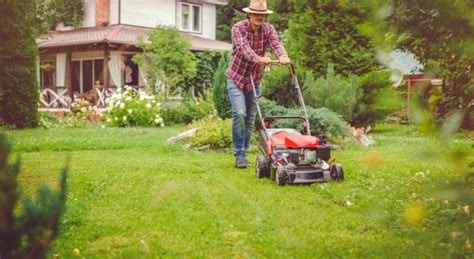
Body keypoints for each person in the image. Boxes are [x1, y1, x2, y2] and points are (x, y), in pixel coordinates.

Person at [226, 0, 290, 168]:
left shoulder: (269, 29)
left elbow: (276, 44)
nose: (259, 17)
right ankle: (239, 154)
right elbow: (243, 48)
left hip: (255, 80)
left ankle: (244, 154)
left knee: (250, 119)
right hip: (236, 78)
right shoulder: (238, 28)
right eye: (256, 14)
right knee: (240, 114)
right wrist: (259, 58)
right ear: (249, 14)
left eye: (262, 15)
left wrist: (282, 56)